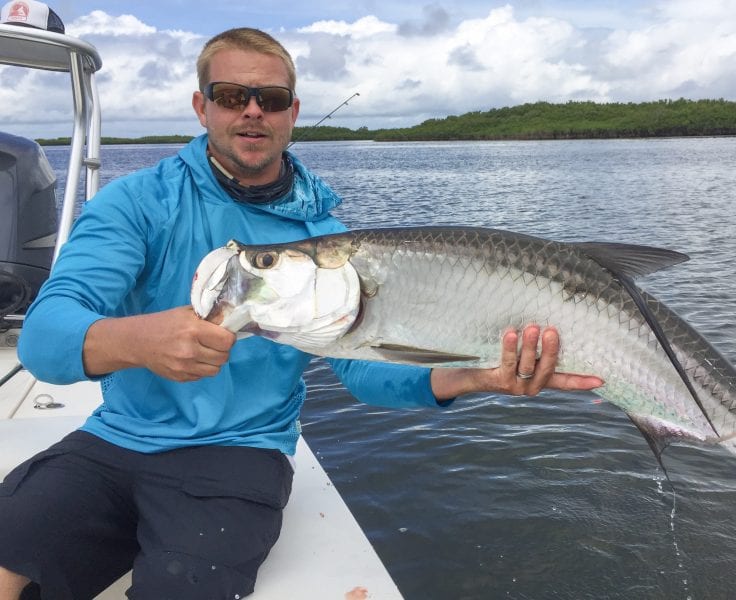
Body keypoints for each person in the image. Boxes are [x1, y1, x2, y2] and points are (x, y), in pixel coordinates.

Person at [0, 27, 602, 600]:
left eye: (272, 98)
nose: (252, 111)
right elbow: (46, 339)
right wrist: (138, 341)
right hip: (116, 437)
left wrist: (477, 376)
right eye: (232, 96)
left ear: (292, 112)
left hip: (241, 452)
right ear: (201, 107)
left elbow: (365, 370)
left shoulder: (327, 241)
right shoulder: (137, 201)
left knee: (182, 586)